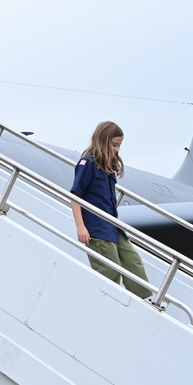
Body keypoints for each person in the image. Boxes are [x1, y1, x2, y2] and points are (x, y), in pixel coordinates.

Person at [70, 121, 151, 299]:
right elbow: (75, 196)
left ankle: (144, 302)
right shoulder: (88, 163)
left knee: (133, 262)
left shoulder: (107, 167)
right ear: (103, 140)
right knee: (110, 270)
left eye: (119, 146)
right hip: (97, 228)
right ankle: (112, 304)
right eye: (114, 145)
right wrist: (80, 226)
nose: (116, 150)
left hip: (113, 225)